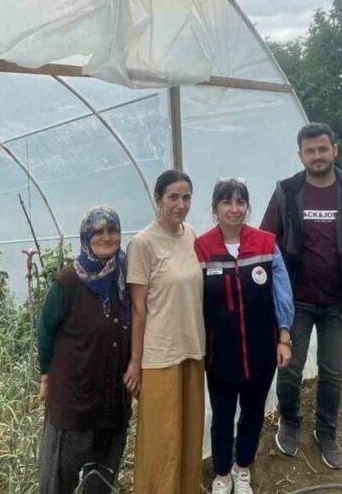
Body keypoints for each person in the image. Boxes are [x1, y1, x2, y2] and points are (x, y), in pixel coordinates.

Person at [260, 123, 342, 469]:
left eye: (322, 149)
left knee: (333, 371)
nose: (317, 156)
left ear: (335, 150)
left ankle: (326, 432)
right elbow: (265, 242)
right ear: (300, 155)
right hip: (296, 300)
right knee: (289, 368)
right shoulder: (286, 192)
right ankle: (290, 422)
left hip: (340, 301)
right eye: (310, 151)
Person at [195, 179, 294, 494]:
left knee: (252, 414)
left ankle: (242, 469)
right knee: (222, 417)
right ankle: (222, 474)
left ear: (247, 206)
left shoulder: (266, 244)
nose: (234, 209)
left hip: (261, 350)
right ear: (215, 208)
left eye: (240, 202)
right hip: (219, 352)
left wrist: (284, 336)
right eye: (226, 202)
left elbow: (282, 294)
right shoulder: (202, 248)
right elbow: (192, 301)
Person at [37, 207, 131, 494]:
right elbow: (45, 330)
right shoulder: (68, 281)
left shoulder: (126, 278)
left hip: (112, 398)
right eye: (98, 231)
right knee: (59, 477)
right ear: (86, 237)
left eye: (112, 230)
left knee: (101, 476)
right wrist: (45, 376)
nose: (106, 237)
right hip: (74, 399)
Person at [124, 169, 205, 493]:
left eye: (186, 197)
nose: (181, 204)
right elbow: (138, 309)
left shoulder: (192, 235)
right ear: (157, 199)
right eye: (173, 197)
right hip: (159, 355)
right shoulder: (143, 243)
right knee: (161, 440)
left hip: (193, 348)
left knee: (189, 433)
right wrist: (135, 360)